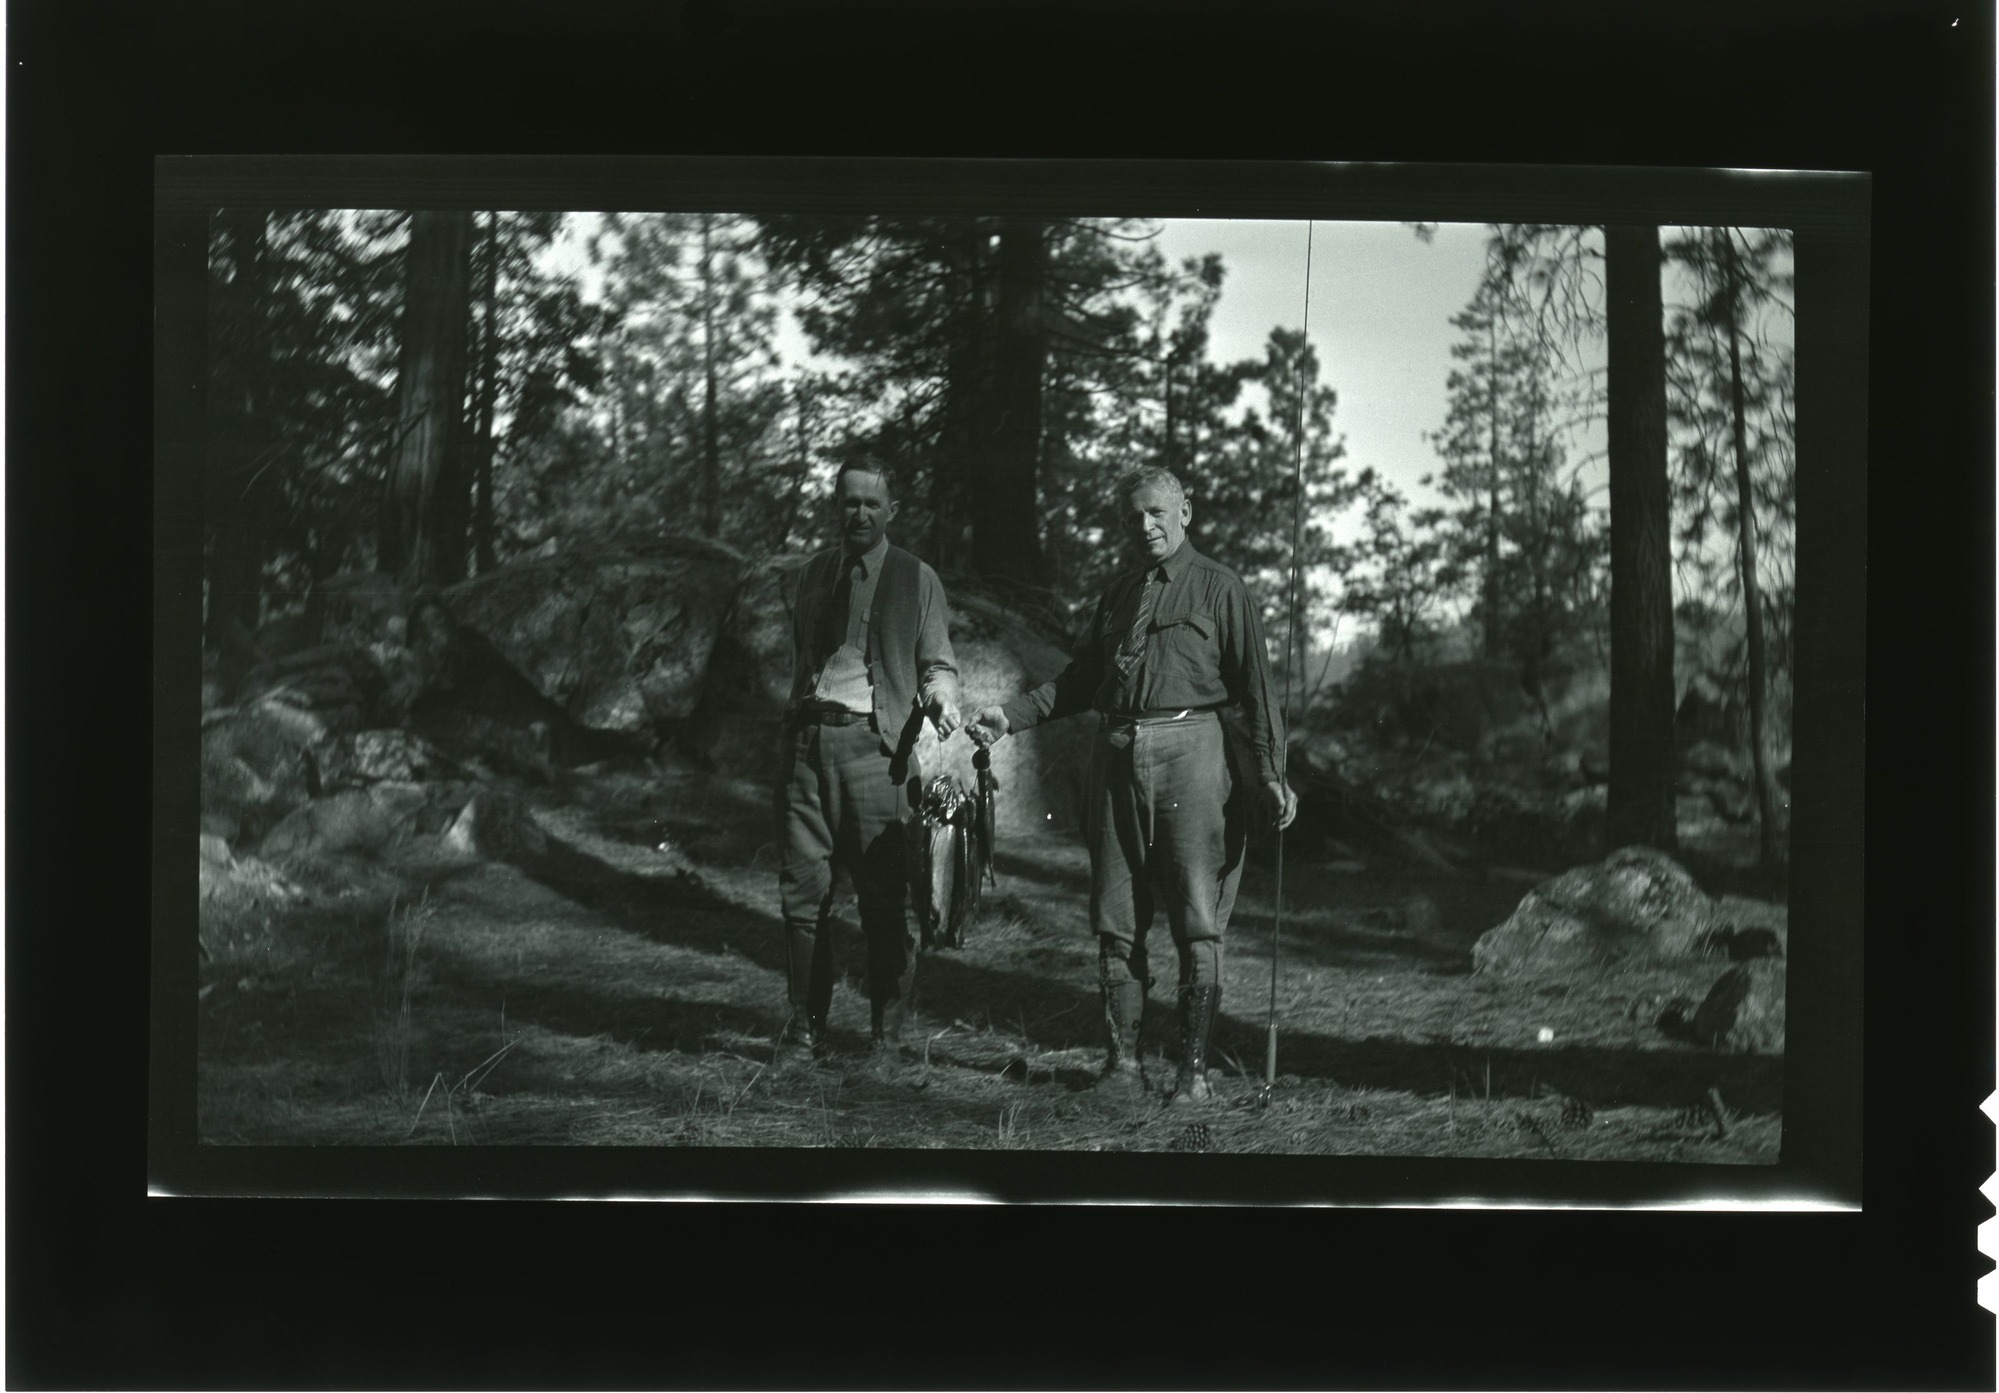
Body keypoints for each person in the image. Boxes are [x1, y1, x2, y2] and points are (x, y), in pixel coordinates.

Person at [968, 465, 1296, 1105]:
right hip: (1116, 756)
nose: (1144, 526)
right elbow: (1083, 677)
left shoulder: (1221, 588)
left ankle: (1192, 1075)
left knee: (1198, 922)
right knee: (1116, 922)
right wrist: (1011, 716)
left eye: (1156, 513)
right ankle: (1122, 1069)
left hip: (1193, 754)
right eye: (1132, 517)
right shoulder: (1118, 593)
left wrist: (1272, 774)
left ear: (1185, 511)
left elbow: (1257, 689)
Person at [775, 460, 962, 1065]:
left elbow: (938, 662)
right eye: (849, 503)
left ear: (891, 511)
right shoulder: (810, 574)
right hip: (808, 752)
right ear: (836, 505)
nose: (858, 514)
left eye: (871, 505)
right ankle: (804, 1034)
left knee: (884, 901)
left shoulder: (916, 577)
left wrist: (941, 697)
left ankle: (887, 1041)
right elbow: (803, 659)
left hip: (877, 755)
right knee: (803, 899)